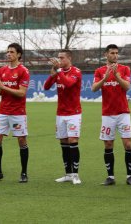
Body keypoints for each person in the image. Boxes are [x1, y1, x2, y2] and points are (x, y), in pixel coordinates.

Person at [92, 44, 131, 186]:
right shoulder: (99, 71)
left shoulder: (124, 69)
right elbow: (94, 88)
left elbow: (127, 86)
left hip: (123, 113)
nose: (115, 55)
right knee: (108, 144)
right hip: (107, 114)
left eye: (117, 53)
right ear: (106, 54)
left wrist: (116, 75)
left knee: (128, 144)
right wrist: (104, 78)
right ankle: (110, 177)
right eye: (112, 53)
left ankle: (130, 176)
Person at [0, 43, 30, 183]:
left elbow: (21, 93)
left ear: (19, 54)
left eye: (12, 52)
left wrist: (3, 86)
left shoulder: (23, 71)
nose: (8, 54)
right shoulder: (2, 70)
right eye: (7, 52)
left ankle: (24, 173)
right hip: (3, 111)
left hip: (18, 112)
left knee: (21, 141)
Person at [44, 49, 82, 185]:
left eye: (62, 58)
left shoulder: (76, 71)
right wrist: (52, 75)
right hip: (60, 113)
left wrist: (59, 71)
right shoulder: (58, 72)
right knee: (64, 143)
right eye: (58, 58)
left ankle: (76, 175)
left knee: (73, 141)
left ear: (69, 58)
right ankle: (68, 174)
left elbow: (69, 84)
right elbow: (46, 87)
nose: (60, 60)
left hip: (74, 113)